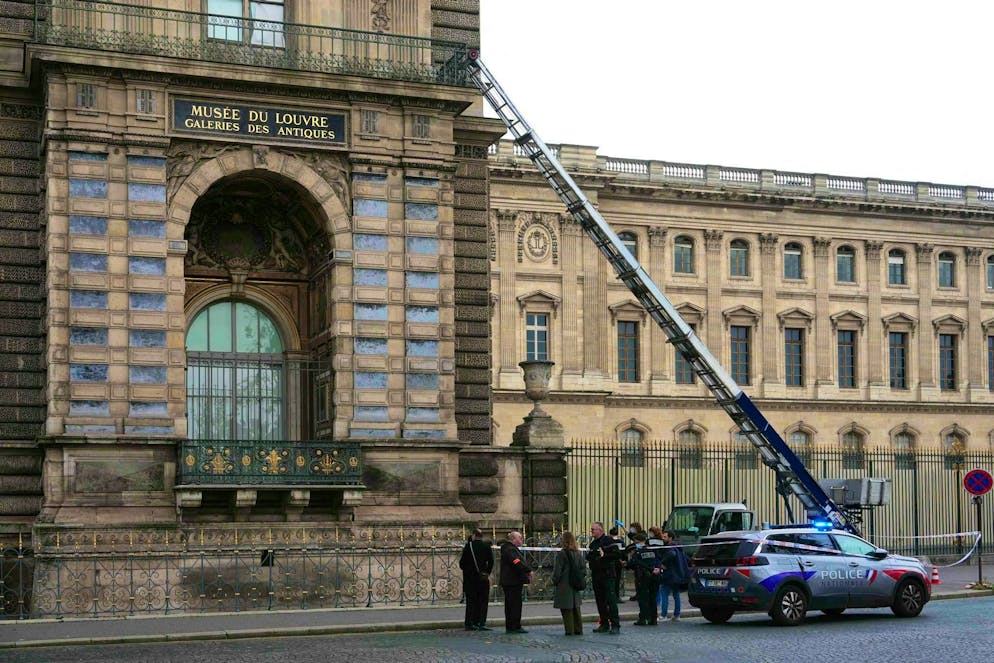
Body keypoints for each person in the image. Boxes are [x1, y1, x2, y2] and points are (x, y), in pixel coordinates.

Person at [587, 521, 622, 634]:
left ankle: (615, 625)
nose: (591, 531)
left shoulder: (608, 541)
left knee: (611, 601)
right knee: (600, 601)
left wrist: (604, 556)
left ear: (600, 530)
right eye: (591, 529)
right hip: (597, 575)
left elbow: (616, 554)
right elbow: (590, 556)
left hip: (607, 575)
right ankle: (604, 624)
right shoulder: (593, 544)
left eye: (593, 529)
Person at [459, 527, 494, 631]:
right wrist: (486, 572)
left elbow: (462, 564)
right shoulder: (486, 546)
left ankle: (470, 623)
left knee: (471, 602)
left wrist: (468, 570)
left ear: (473, 536)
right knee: (483, 601)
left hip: (470, 579)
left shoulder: (468, 547)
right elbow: (491, 562)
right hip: (482, 578)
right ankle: (481, 622)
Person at [552, 530, 586, 636]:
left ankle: (569, 630)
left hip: (564, 584)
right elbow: (583, 569)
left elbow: (558, 571)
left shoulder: (562, 554)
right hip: (575, 584)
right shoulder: (578, 553)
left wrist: (555, 580)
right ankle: (578, 629)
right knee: (576, 608)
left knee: (567, 610)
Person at [499, 530, 533, 633]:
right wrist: (527, 570)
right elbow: (516, 561)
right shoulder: (510, 549)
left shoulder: (511, 548)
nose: (522, 540)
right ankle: (514, 625)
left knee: (512, 605)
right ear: (514, 539)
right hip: (512, 581)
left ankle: (512, 625)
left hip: (512, 581)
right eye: (520, 538)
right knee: (514, 605)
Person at [627, 532, 661, 625]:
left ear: (638, 541)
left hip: (643, 577)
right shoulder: (652, 550)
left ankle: (643, 618)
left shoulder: (638, 552)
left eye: (635, 542)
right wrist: (656, 569)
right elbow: (658, 560)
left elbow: (634, 563)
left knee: (643, 599)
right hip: (655, 576)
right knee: (652, 598)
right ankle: (653, 619)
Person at [659, 529, 686, 622]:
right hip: (677, 574)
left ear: (670, 538)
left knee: (664, 593)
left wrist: (663, 563)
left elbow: (671, 554)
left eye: (665, 537)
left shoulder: (669, 547)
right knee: (676, 594)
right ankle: (677, 615)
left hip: (669, 574)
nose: (663, 538)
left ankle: (663, 615)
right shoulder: (678, 546)